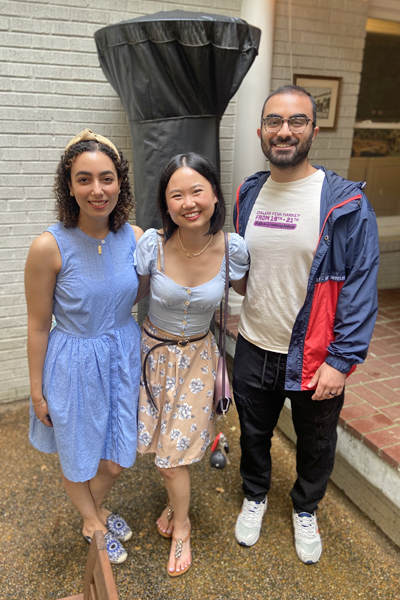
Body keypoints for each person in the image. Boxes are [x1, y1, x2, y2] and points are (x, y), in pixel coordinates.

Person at [232, 85, 379, 564]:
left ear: (313, 130)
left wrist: (341, 360)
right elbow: (244, 266)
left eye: (297, 121)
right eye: (274, 121)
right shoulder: (249, 192)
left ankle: (305, 507)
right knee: (253, 432)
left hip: (315, 354)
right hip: (254, 343)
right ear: (261, 131)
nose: (285, 131)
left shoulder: (345, 204)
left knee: (316, 441)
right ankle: (255, 495)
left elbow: (358, 288)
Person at [25, 129, 147, 564]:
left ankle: (93, 508)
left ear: (121, 183)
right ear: (68, 185)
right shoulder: (49, 246)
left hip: (121, 353)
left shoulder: (134, 237)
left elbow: (137, 294)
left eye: (107, 178)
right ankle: (91, 520)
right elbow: (38, 325)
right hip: (73, 360)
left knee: (116, 455)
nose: (97, 190)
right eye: (84, 179)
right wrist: (38, 390)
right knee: (79, 451)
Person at [135, 152, 249, 576]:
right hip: (153, 358)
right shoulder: (153, 244)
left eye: (197, 190)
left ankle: (182, 527)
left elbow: (253, 289)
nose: (188, 202)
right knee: (167, 448)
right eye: (176, 194)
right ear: (166, 204)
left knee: (169, 457)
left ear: (215, 195)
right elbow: (128, 297)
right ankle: (175, 500)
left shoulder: (233, 249)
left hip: (199, 360)